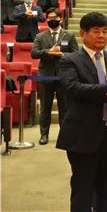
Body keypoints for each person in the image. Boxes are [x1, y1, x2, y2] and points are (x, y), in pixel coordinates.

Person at [56, 12, 107, 212]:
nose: (102, 36)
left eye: (105, 32)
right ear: (83, 33)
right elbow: (73, 88)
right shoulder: (70, 60)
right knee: (83, 188)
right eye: (96, 31)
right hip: (83, 134)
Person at [30, 8, 78, 144]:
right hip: (46, 76)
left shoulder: (69, 35)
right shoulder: (40, 36)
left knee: (64, 107)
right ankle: (44, 135)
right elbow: (34, 53)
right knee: (45, 107)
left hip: (64, 77)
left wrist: (62, 54)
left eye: (54, 18)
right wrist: (48, 52)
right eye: (49, 18)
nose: (52, 20)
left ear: (60, 19)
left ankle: (65, 135)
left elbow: (76, 54)